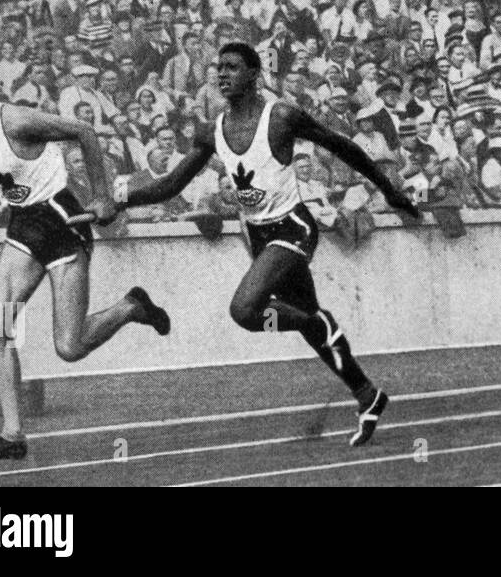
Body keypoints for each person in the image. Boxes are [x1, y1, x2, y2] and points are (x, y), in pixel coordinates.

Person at [115, 43, 421, 447]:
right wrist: (119, 200)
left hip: (293, 228)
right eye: (218, 68)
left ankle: (317, 326)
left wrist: (391, 190)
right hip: (259, 236)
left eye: (233, 67)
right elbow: (170, 185)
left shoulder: (280, 116)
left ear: (255, 74)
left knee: (245, 310)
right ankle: (367, 394)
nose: (222, 74)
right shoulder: (211, 130)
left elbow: (342, 146)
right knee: (308, 317)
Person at [0, 66, 168, 463]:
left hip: (63, 221)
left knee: (70, 347)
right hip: (23, 226)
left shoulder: (15, 120)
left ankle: (132, 307)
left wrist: (103, 197)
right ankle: (12, 434)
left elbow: (85, 132)